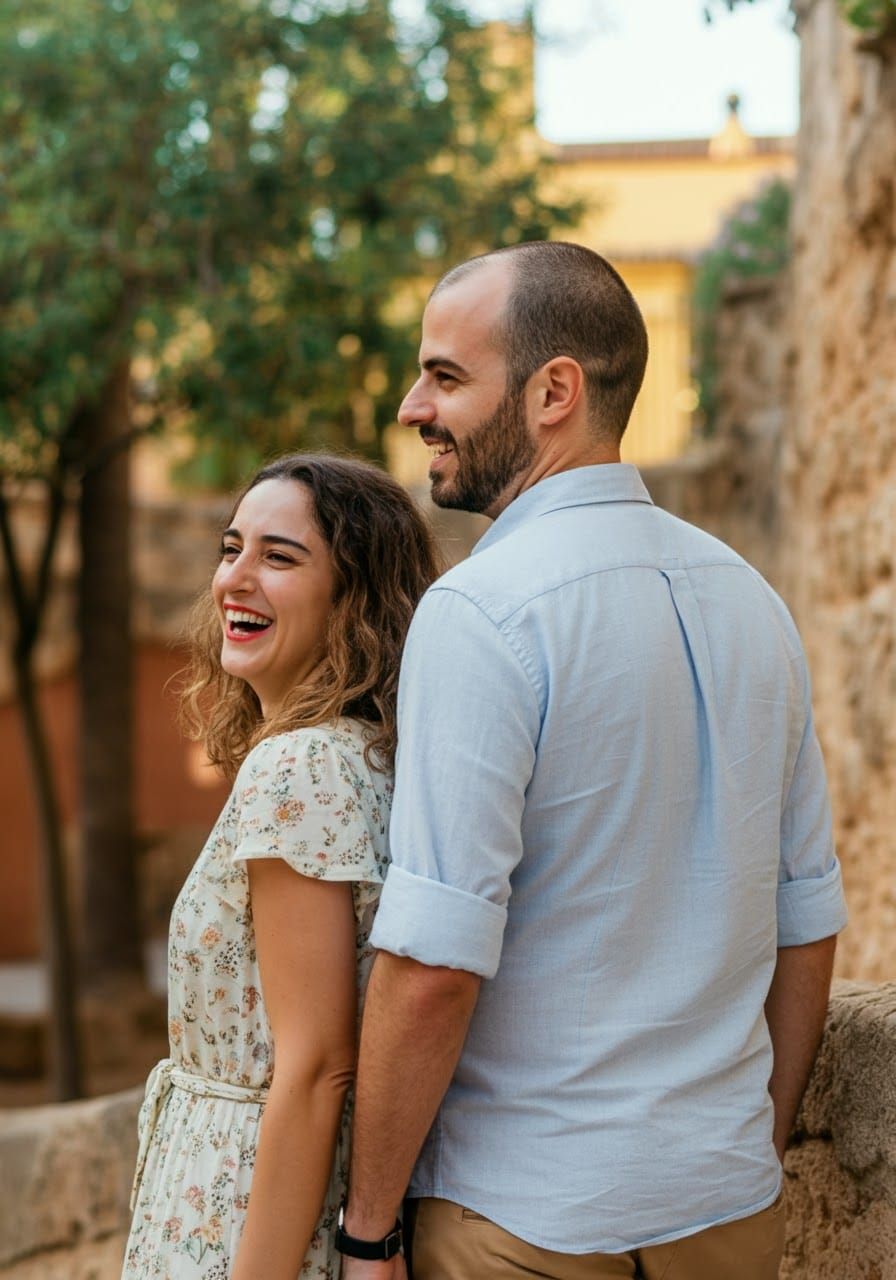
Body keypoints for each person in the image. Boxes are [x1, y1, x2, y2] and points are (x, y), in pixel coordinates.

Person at [337, 242, 848, 1280]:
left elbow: (432, 966)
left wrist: (368, 1230)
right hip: (726, 1211)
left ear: (552, 392)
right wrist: (744, 1148)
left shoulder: (480, 610)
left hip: (524, 1221)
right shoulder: (753, 598)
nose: (411, 407)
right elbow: (805, 921)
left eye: (444, 376)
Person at [122, 453, 439, 1280]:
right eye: (232, 549)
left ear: (355, 599)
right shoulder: (367, 756)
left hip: (242, 1210)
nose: (235, 579)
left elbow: (318, 1067)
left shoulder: (298, 766)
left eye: (280, 557)